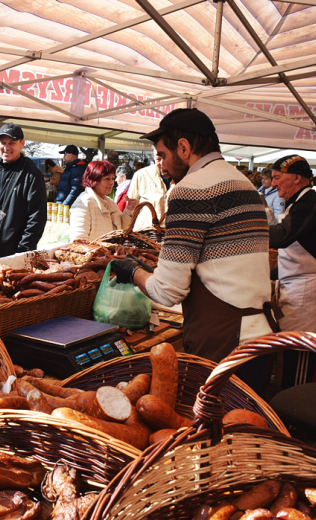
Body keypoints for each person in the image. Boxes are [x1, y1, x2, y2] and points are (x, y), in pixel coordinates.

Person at [111, 108, 276, 394]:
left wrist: (133, 271)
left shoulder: (191, 190)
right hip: (262, 336)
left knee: (213, 434)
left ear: (184, 147)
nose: (161, 166)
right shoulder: (247, 186)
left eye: (162, 155)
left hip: (224, 345)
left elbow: (167, 292)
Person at [268, 155, 316, 336]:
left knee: (300, 353)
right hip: (295, 286)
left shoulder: (311, 203)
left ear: (297, 177)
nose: (273, 184)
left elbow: (282, 236)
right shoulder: (297, 203)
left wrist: (245, 231)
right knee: (289, 348)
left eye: (277, 178)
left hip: (308, 291)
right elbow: (294, 253)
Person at [0, 123, 47, 260]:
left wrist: (22, 252)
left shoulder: (31, 174)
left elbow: (37, 218)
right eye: (3, 142)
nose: (6, 147)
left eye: (12, 143)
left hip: (13, 255)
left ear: (22, 143)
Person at [69, 161, 135, 241]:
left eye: (113, 178)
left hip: (110, 252)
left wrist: (128, 210)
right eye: (107, 178)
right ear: (94, 180)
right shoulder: (83, 203)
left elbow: (122, 229)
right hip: (94, 253)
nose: (112, 183)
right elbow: (78, 241)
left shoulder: (110, 203)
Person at [126, 151, 167, 228]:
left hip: (172, 234)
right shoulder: (140, 175)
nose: (163, 163)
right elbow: (130, 209)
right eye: (158, 159)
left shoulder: (182, 176)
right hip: (145, 233)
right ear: (154, 158)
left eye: (166, 158)